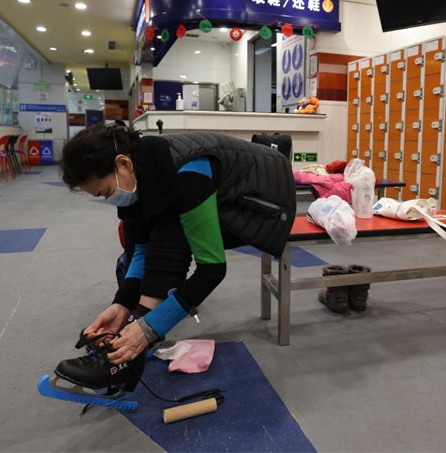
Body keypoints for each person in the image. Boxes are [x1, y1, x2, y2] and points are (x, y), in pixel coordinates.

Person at [59, 124, 296, 367]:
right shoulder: (142, 169)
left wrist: (150, 329)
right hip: (224, 193)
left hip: (268, 201)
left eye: (106, 192)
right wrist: (122, 304)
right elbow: (141, 248)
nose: (109, 199)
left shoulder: (189, 175)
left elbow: (212, 269)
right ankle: (136, 328)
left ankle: (138, 337)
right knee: (155, 227)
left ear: (123, 163)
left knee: (173, 230)